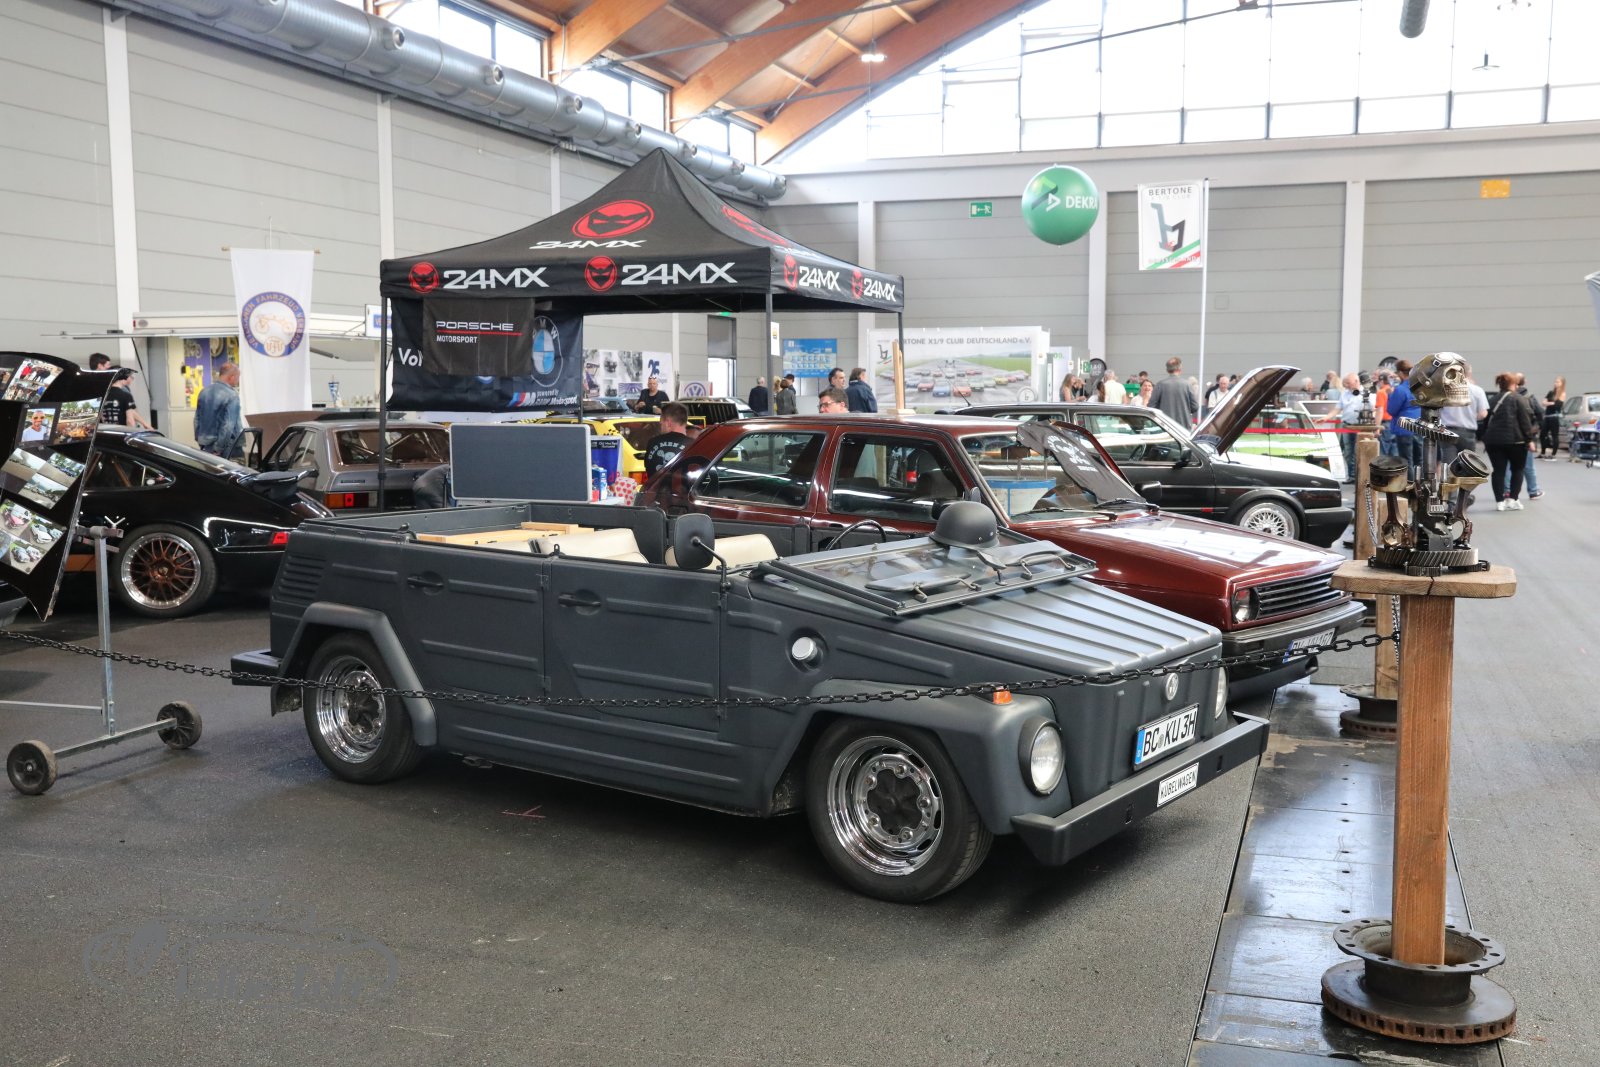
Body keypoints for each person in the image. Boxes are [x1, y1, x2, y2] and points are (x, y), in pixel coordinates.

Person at [1483, 372, 1537, 510]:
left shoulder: (1493, 400)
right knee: (1517, 469)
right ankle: (1513, 499)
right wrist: (1529, 440)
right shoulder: (1519, 399)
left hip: (1494, 441)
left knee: (1498, 471)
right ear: (1513, 384)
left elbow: (1485, 421)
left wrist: (1484, 438)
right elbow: (1525, 422)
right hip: (1516, 441)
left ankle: (1499, 501)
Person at [1439, 364, 1488, 511]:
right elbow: (1483, 413)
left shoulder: (1445, 389)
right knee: (1469, 467)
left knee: (1450, 467)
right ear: (1469, 373)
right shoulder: (1477, 390)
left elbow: (1437, 410)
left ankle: (1452, 502)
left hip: (1447, 432)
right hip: (1468, 432)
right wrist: (1471, 416)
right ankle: (1465, 497)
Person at [195, 361, 244, 458]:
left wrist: (200, 440)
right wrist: (218, 448)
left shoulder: (204, 392)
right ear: (232, 377)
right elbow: (228, 426)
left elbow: (197, 420)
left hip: (206, 445)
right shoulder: (232, 395)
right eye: (237, 378)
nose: (238, 381)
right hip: (227, 448)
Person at [1511, 373, 1544, 499]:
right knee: (1528, 466)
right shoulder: (1530, 397)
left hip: (1510, 436)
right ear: (1525, 382)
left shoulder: (1508, 396)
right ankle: (1533, 490)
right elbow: (1540, 413)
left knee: (1508, 466)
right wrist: (1535, 429)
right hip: (1526, 436)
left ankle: (1507, 491)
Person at [1386, 359, 1421, 474]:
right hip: (1419, 427)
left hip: (1404, 429)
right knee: (1419, 460)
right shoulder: (1419, 387)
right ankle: (1421, 483)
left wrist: (1390, 395)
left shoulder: (1400, 390)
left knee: (1406, 461)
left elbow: (1392, 410)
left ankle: (1409, 484)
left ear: (1401, 373)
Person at [643, 402, 692, 478]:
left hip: (656, 486)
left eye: (661, 421)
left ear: (668, 423)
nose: (660, 424)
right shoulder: (694, 445)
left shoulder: (653, 442)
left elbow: (648, 470)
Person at [1335, 373, 1364, 482]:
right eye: (1345, 383)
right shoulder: (1344, 394)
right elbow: (1337, 408)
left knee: (1358, 451)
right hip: (1347, 425)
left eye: (1348, 383)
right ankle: (1350, 476)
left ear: (1356, 381)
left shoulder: (1366, 393)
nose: (1346, 385)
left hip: (1360, 427)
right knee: (1348, 451)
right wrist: (1326, 417)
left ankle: (1358, 475)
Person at [1150, 357, 1197, 426]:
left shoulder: (1160, 384)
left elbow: (1151, 406)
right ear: (1179, 369)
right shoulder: (1187, 385)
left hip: (1165, 425)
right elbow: (1195, 407)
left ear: (1167, 370)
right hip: (1184, 426)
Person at [1540, 377, 1566, 458]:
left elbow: (1558, 405)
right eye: (1555, 382)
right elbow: (1543, 402)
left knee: (1554, 435)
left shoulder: (1562, 394)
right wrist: (1551, 403)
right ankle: (1543, 452)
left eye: (1558, 382)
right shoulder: (1551, 392)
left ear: (1562, 384)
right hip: (1547, 416)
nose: (1556, 383)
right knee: (1542, 434)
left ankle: (1553, 454)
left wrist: (1548, 403)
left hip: (1554, 417)